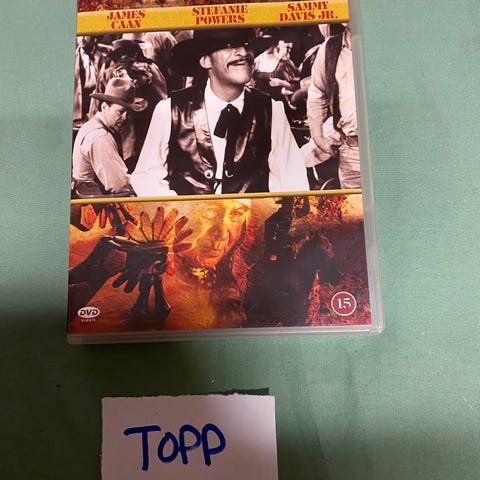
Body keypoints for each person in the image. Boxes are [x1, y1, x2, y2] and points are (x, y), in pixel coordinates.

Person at [131, 28, 309, 196]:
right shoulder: (169, 110)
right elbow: (146, 178)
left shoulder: (271, 110)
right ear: (205, 61)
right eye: (229, 46)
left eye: (246, 45)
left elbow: (292, 182)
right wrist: (181, 211)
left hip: (253, 218)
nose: (243, 52)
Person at [72, 77, 147, 197]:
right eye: (120, 112)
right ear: (104, 107)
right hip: (95, 201)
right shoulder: (101, 137)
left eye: (128, 113)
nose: (124, 118)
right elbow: (119, 185)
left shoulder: (91, 125)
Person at [307, 23, 361, 189]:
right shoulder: (330, 48)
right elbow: (317, 93)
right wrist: (318, 138)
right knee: (355, 204)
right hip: (352, 150)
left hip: (393, 146)